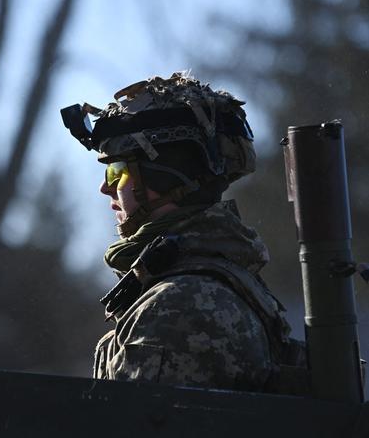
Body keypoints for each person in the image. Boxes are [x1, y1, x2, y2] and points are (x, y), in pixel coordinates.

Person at [61, 72, 298, 392]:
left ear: (163, 177)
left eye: (117, 170)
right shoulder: (205, 276)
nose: (106, 188)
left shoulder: (180, 304)